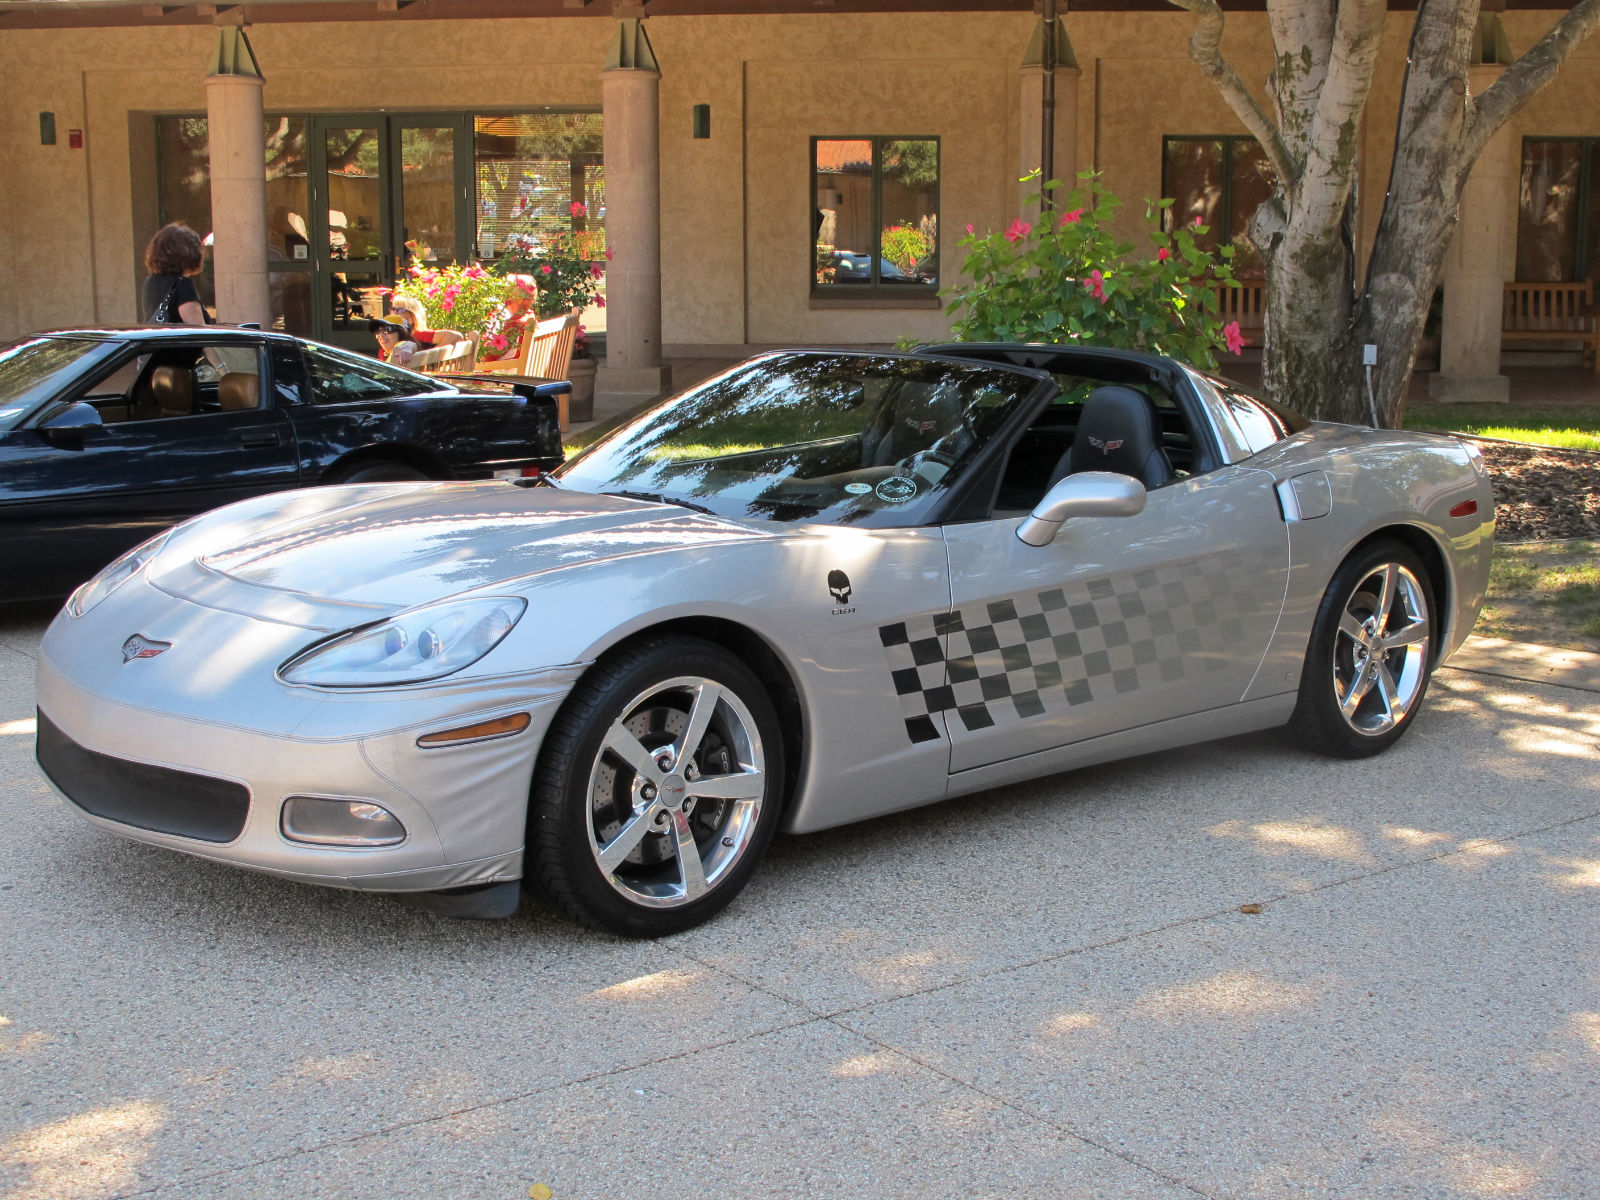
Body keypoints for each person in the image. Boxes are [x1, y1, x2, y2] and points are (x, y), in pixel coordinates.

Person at [142, 223, 211, 325]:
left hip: (157, 340)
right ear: (189, 254)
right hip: (177, 341)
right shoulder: (183, 285)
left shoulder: (150, 281)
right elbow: (197, 330)